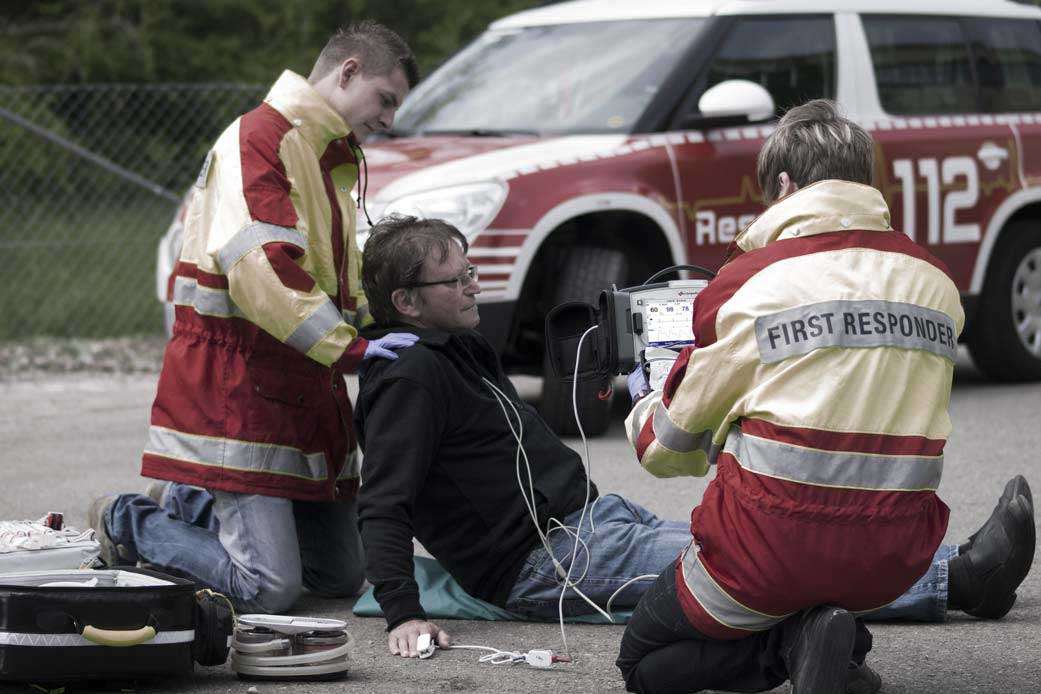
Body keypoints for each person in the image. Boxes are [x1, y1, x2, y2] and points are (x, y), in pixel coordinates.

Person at [353, 213, 1034, 667]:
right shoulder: (409, 376)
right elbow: (382, 500)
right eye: (457, 277)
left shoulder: (452, 350)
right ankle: (958, 578)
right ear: (406, 302)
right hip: (546, 563)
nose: (475, 283)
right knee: (762, 563)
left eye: (473, 268)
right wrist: (401, 614)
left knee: (750, 550)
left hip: (591, 527)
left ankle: (939, 576)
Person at [615, 100, 1036, 694]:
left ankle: (793, 647)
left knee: (641, 661)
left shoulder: (750, 284)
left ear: (785, 185)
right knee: (814, 570)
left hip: (760, 553)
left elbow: (668, 446)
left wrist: (648, 398)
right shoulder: (937, 285)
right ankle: (829, 641)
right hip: (892, 557)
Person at [88, 21, 420, 614]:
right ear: (347, 73)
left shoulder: (323, 154)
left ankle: (195, 502)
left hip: (292, 382)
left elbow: (336, 272)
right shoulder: (260, 140)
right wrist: (354, 349)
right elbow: (262, 268)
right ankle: (128, 520)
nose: (390, 119)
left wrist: (379, 324)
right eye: (385, 99)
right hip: (235, 387)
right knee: (269, 588)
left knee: (342, 576)